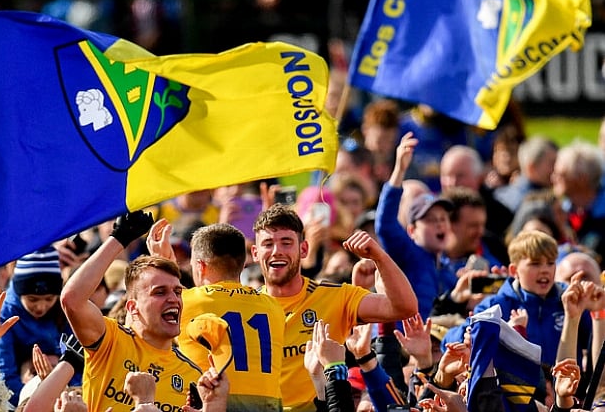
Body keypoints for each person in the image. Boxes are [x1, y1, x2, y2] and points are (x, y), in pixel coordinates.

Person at [252, 204, 417, 412]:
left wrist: (379, 257)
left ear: (303, 249)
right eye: (268, 244)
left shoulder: (336, 297)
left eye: (286, 243)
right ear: (255, 253)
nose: (277, 251)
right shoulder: (245, 306)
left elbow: (404, 308)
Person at [60, 211, 202, 412]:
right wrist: (119, 238)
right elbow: (72, 299)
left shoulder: (193, 376)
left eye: (177, 292)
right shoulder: (111, 342)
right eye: (159, 292)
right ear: (132, 307)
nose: (174, 299)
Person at [147, 220, 285, 411]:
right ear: (243, 263)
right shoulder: (274, 307)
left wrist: (164, 265)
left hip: (212, 404)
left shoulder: (187, 302)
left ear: (200, 266)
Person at [473, 230, 590, 366]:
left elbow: (598, 350)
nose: (545, 270)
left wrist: (597, 310)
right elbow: (459, 340)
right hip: (515, 387)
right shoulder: (494, 307)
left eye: (551, 263)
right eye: (535, 263)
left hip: (568, 386)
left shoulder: (571, 301)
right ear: (514, 271)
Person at [375, 132, 455, 320]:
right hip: (404, 344)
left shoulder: (448, 270)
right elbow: (385, 225)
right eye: (430, 220)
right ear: (411, 230)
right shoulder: (407, 255)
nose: (440, 224)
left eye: (443, 218)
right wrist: (399, 171)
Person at [0, 246, 69, 407]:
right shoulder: (3, 313)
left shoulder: (64, 308)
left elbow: (79, 361)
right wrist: (32, 399)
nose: (41, 307)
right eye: (33, 299)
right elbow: (3, 374)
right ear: (20, 293)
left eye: (49, 299)